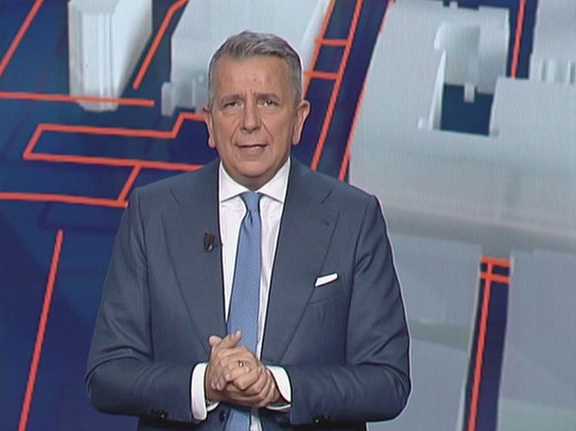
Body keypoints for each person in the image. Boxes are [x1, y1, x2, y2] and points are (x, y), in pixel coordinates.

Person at [85, 31, 410, 430]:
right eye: (232, 104)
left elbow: (387, 381)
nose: (250, 123)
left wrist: (279, 387)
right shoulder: (153, 214)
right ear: (209, 122)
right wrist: (202, 383)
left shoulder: (354, 218)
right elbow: (108, 373)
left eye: (268, 103)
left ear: (298, 119)